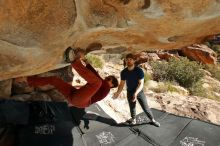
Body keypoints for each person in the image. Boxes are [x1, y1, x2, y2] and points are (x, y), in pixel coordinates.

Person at [17, 47, 118, 108]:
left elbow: (96, 78)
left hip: (81, 100)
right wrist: (78, 85)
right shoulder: (101, 88)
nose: (106, 78)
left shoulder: (106, 88)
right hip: (76, 98)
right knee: (55, 81)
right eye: (107, 77)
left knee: (97, 82)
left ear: (112, 85)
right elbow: (90, 86)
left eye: (109, 79)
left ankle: (73, 60)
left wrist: (85, 61)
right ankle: (26, 80)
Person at [113, 53, 160, 127]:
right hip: (130, 91)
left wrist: (136, 93)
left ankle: (152, 120)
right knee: (132, 107)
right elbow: (121, 84)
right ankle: (133, 119)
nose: (128, 61)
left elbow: (141, 84)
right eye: (127, 60)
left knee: (145, 107)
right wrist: (117, 93)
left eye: (130, 59)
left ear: (134, 61)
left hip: (139, 91)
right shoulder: (124, 72)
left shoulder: (139, 70)